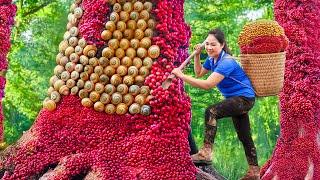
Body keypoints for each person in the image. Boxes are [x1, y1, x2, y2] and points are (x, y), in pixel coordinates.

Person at [171, 28, 260, 180]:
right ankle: (254, 172)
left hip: (244, 98)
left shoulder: (227, 62)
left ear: (222, 45)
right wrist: (198, 55)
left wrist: (181, 76)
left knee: (211, 111)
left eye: (213, 44)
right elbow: (199, 73)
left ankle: (206, 152)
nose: (209, 47)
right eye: (207, 44)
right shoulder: (212, 59)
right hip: (235, 100)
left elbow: (207, 85)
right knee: (244, 135)